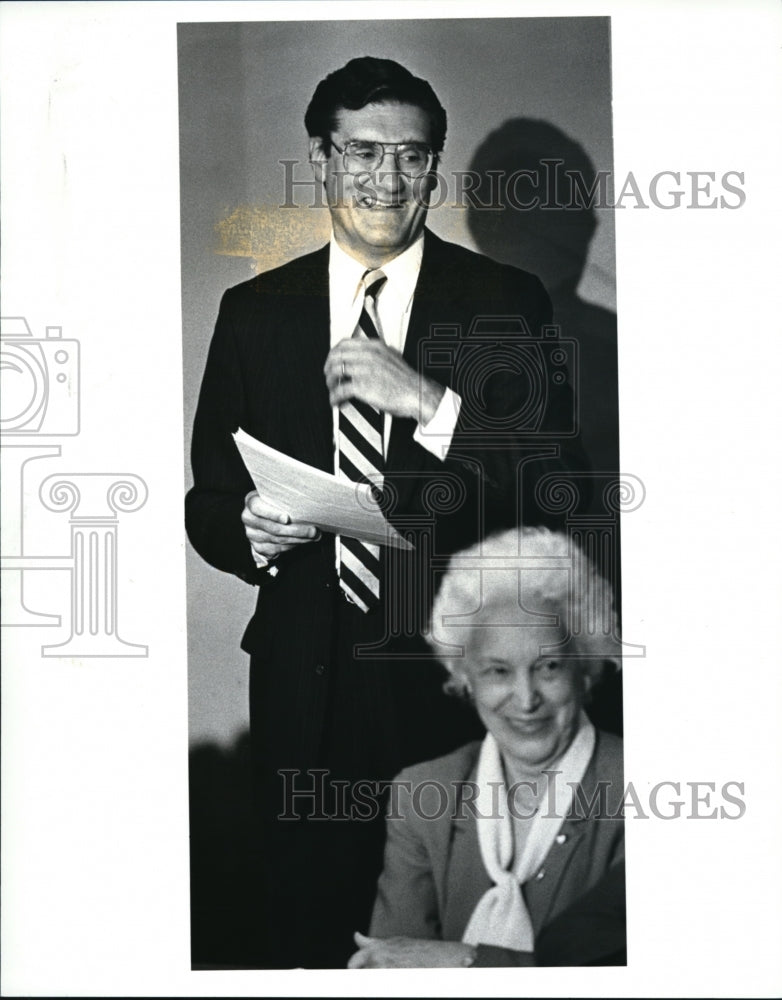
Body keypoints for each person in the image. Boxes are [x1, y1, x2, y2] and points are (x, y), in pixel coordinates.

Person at [185, 56, 587, 968]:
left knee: (445, 943)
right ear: (322, 160)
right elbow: (206, 500)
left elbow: (559, 484)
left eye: (410, 157)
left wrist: (432, 406)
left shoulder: (504, 302)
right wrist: (244, 527)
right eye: (362, 152)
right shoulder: (254, 312)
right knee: (313, 941)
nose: (386, 178)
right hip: (302, 692)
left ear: (435, 171)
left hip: (448, 689)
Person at [349, 526, 624, 968]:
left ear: (585, 667)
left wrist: (466, 961)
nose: (526, 698)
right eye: (498, 671)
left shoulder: (636, 785)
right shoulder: (422, 793)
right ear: (464, 679)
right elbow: (393, 967)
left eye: (549, 666)